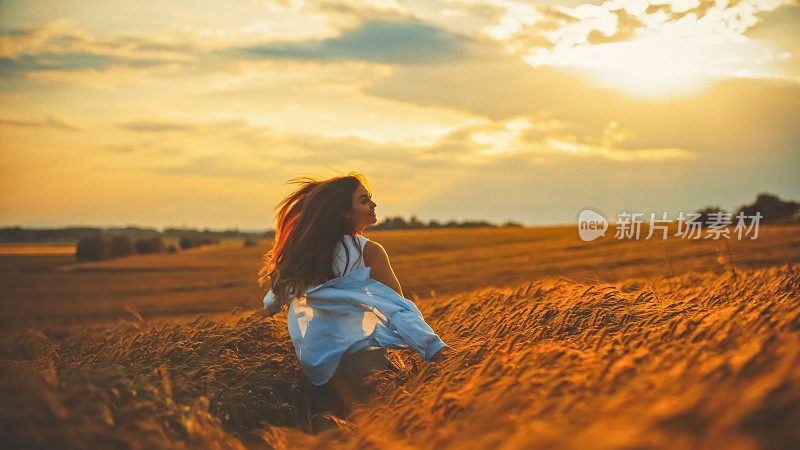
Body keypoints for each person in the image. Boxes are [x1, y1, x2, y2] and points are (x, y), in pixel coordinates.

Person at [254, 173, 452, 429]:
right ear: (345, 213)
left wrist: (261, 315)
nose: (373, 205)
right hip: (364, 362)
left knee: (330, 435)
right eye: (364, 200)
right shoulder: (369, 251)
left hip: (318, 369)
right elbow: (399, 309)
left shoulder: (304, 252)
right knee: (380, 433)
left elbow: (278, 296)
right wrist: (435, 349)